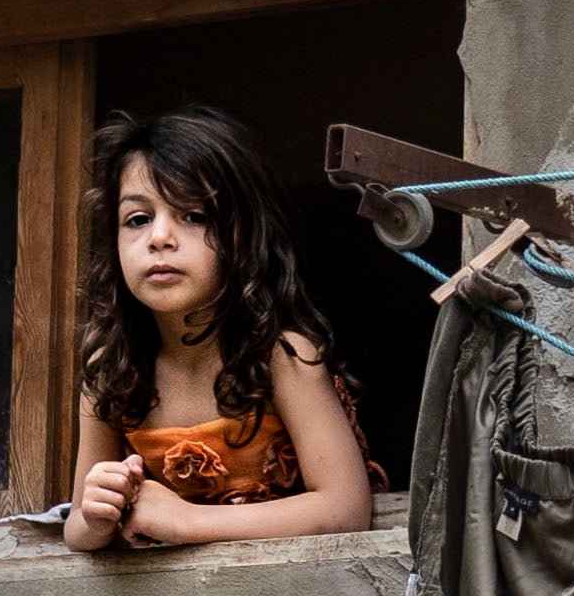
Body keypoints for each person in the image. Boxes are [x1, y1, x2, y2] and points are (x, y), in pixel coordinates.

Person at [63, 106, 384, 552]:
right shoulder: (110, 372)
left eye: (193, 216)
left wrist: (186, 521)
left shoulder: (282, 358)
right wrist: (97, 518)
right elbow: (76, 525)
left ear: (245, 238)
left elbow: (345, 509)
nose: (159, 237)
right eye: (138, 219)